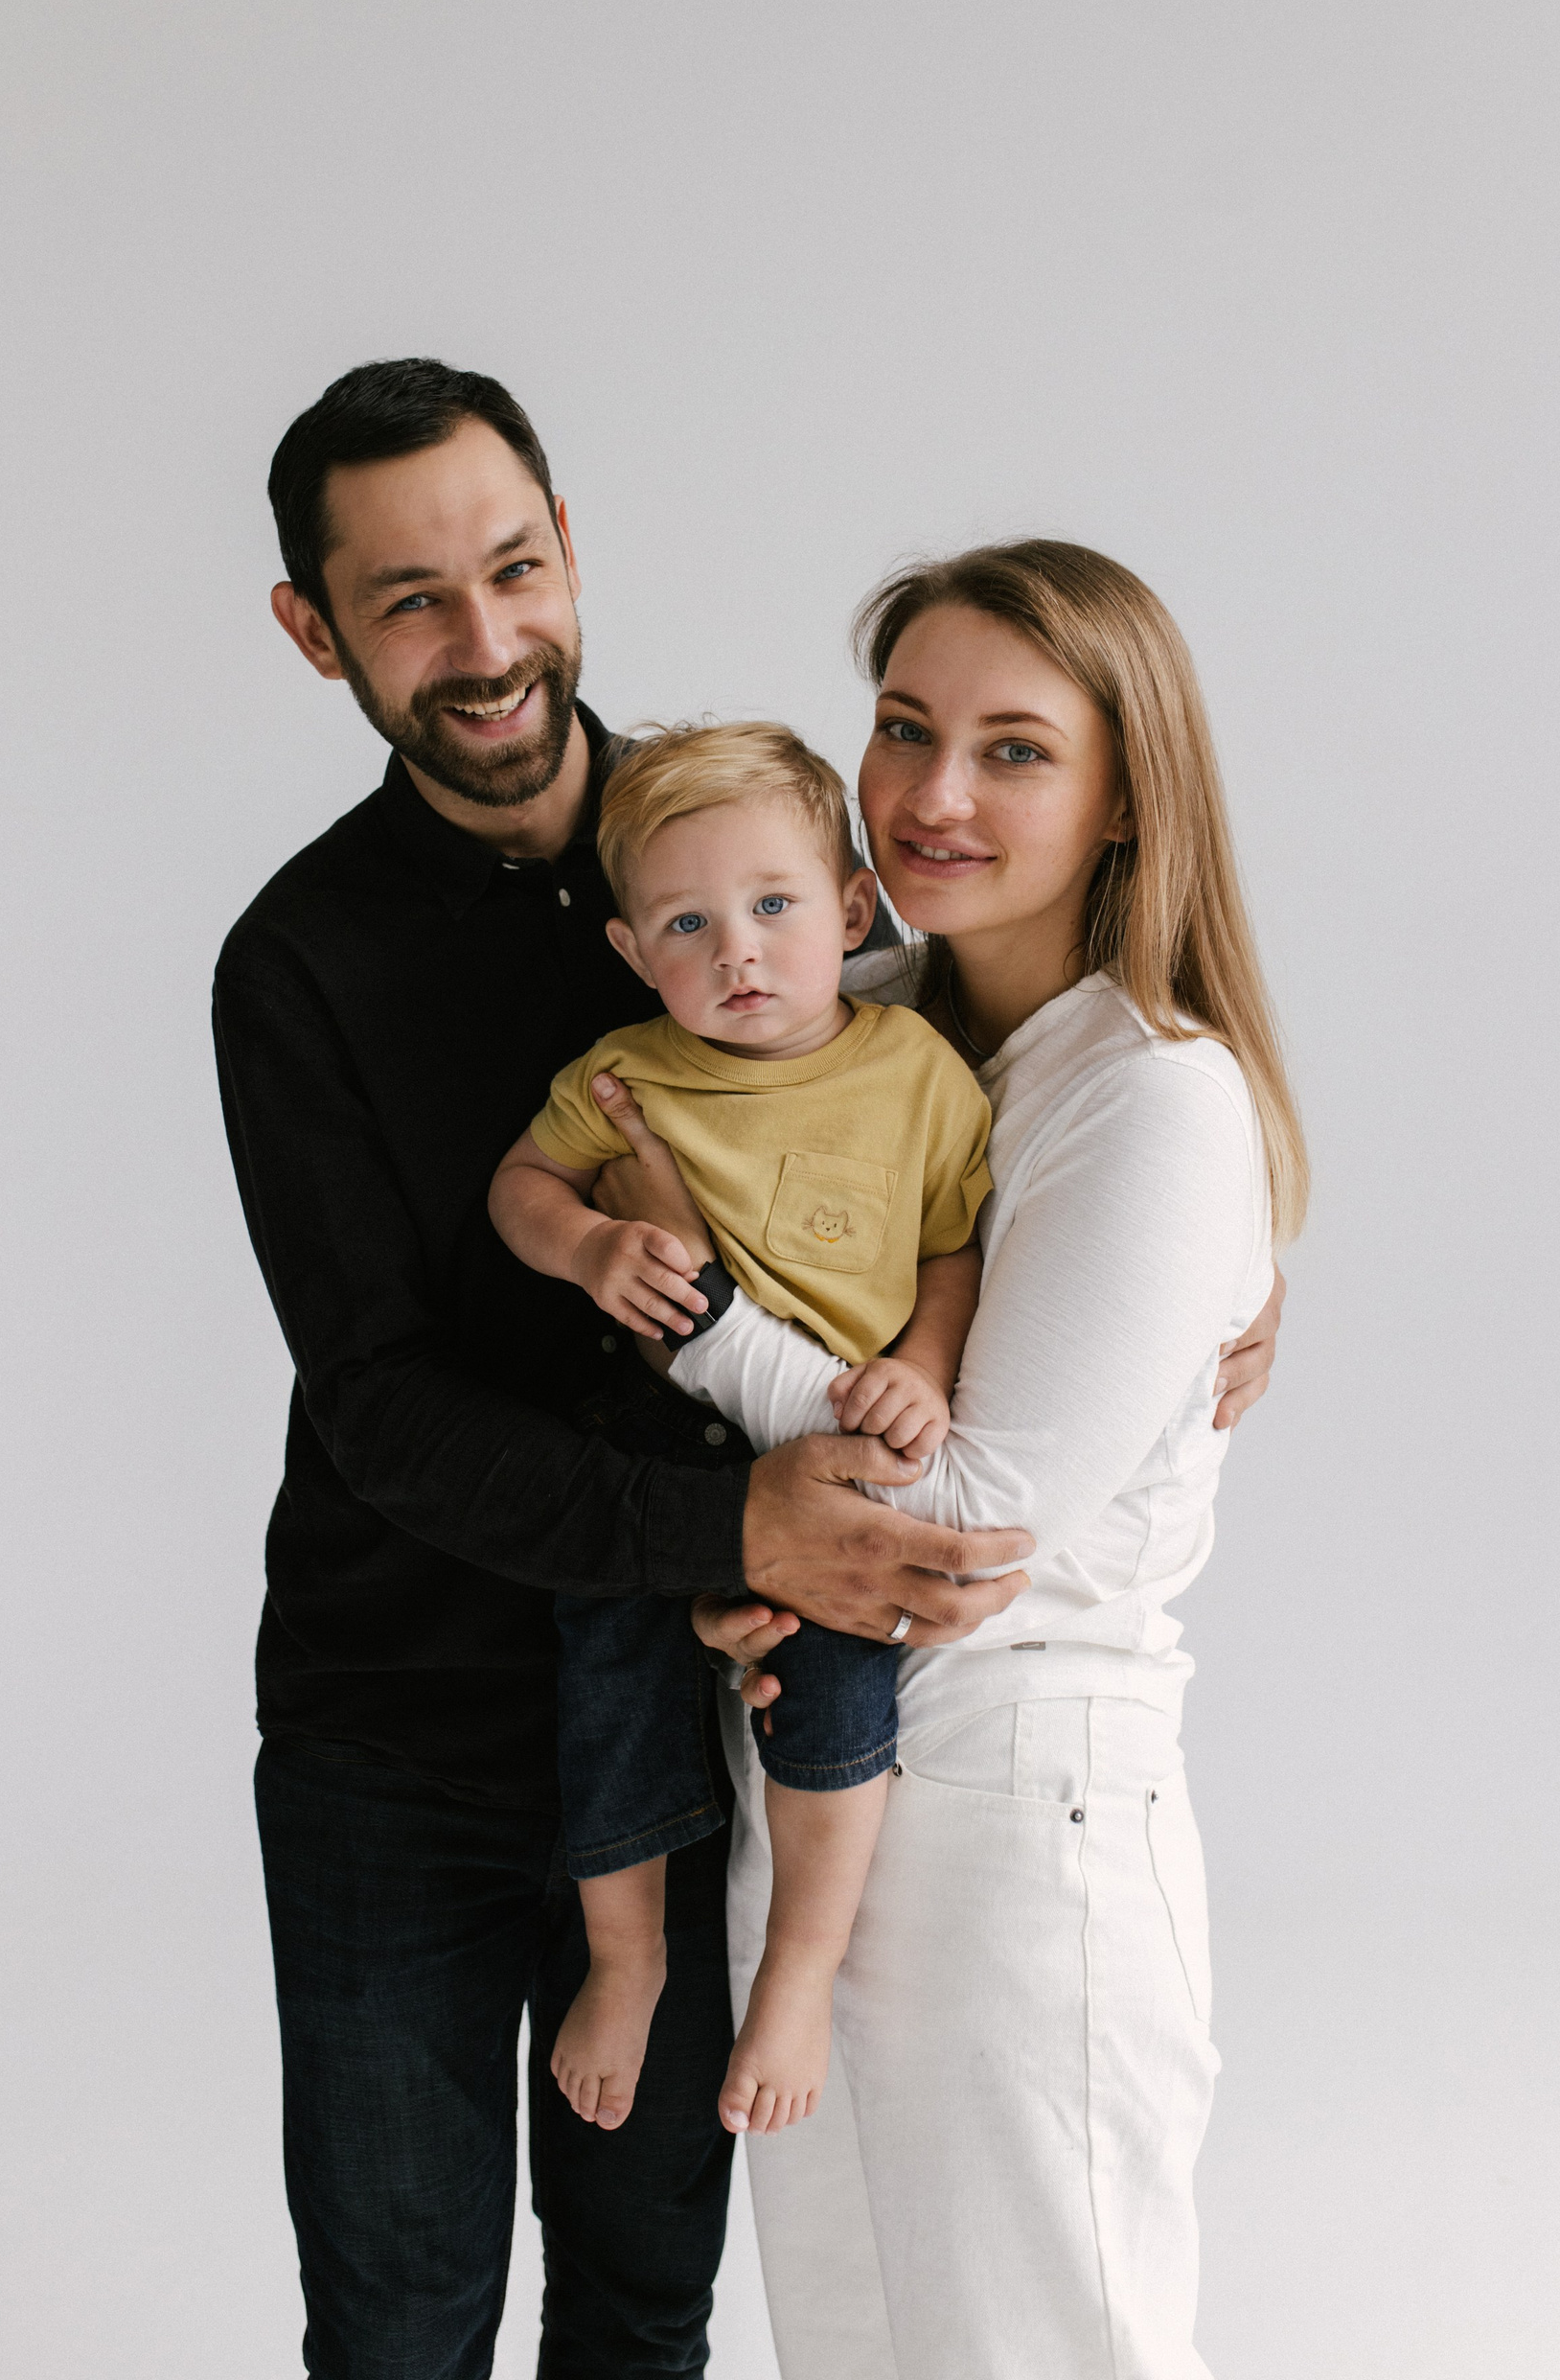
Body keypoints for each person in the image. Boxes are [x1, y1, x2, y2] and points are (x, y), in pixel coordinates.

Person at [210, 357, 1038, 2380]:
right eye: (410, 601)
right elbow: (381, 1405)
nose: (488, 642)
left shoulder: (745, 835)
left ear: (571, 549)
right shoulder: (299, 962)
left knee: (646, 2314)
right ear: (314, 630)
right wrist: (732, 1522)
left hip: (691, 1733)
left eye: (514, 567)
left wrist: (1229, 1259)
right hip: (399, 1736)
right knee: (400, 2329)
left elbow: (1006, 1055)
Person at [599, 538, 1302, 2378]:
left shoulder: (1153, 1093)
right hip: (821, 1792)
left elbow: (971, 1522)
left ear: (1128, 792)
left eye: (1015, 750)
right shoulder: (858, 1031)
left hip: (1019, 1823)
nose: (933, 795)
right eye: (906, 728)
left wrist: (693, 1313)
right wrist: (734, 1555)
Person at [488, 721, 993, 2140]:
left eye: (774, 906)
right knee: (608, 1657)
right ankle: (629, 1956)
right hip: (656, 1450)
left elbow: (952, 1247)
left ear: (852, 908)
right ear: (631, 951)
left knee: (840, 1683)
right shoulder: (627, 1075)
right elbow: (521, 1186)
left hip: (828, 1448)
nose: (738, 954)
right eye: (687, 925)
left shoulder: (917, 1070)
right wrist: (589, 1245)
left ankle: (799, 1969)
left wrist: (924, 1366)